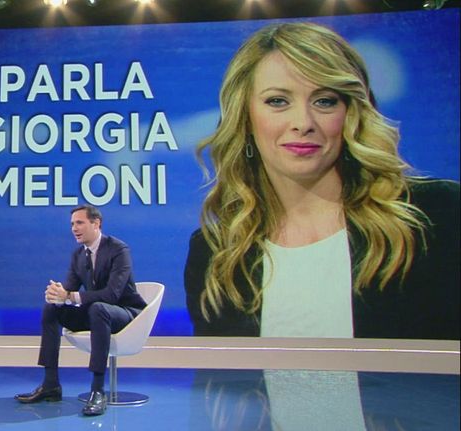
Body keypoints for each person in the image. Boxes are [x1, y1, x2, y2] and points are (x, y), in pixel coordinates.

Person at [184, 22, 460, 340]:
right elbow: (218, 373)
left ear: (352, 112)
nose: (303, 123)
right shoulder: (217, 254)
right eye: (277, 101)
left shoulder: (436, 215)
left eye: (325, 101)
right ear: (245, 116)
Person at [15, 204, 147, 416]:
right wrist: (56, 295)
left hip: (126, 314)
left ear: (96, 224)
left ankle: (97, 391)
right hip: (98, 313)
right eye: (72, 224)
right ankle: (50, 384)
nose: (74, 228)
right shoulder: (78, 254)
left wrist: (69, 296)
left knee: (98, 308)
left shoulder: (118, 249)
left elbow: (112, 295)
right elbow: (69, 289)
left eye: (79, 223)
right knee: (52, 309)